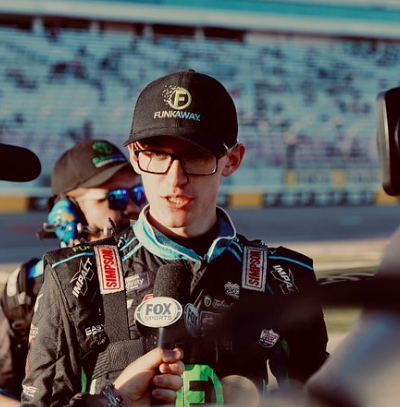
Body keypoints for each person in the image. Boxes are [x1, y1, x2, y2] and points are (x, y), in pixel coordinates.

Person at [21, 69, 328, 407]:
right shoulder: (74, 275)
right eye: (157, 154)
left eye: (197, 155)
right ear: (135, 156)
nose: (175, 179)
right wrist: (113, 400)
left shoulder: (284, 277)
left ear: (232, 160)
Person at [0, 140, 147, 405]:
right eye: (116, 197)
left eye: (137, 193)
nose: (133, 208)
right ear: (65, 210)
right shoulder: (25, 288)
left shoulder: (155, 269)